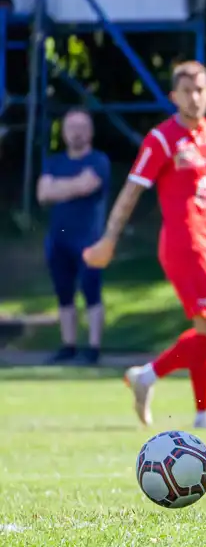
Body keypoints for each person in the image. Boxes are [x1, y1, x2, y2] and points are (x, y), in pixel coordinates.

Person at [83, 61, 206, 432]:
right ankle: (204, 414)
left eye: (200, 89)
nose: (194, 96)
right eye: (186, 90)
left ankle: (147, 375)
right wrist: (109, 238)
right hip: (184, 244)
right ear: (174, 97)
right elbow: (132, 190)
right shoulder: (161, 138)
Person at [36, 108, 110, 364]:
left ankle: (93, 348)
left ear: (90, 131)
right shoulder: (54, 161)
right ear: (64, 131)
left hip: (89, 239)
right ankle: (68, 345)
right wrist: (73, 186)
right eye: (71, 127)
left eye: (81, 127)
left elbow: (87, 184)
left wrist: (59, 187)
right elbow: (43, 193)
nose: (76, 132)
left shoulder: (99, 161)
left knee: (91, 291)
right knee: (64, 293)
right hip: (58, 239)